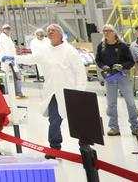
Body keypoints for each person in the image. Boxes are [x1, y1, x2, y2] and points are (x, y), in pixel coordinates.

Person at [14, 23, 87, 152]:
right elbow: (31, 58)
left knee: (77, 121)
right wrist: (14, 58)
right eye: (49, 30)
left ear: (60, 34)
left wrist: (80, 90)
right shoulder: (45, 50)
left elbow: (79, 71)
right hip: (53, 92)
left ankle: (85, 147)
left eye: (54, 30)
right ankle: (54, 148)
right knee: (54, 121)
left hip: (70, 91)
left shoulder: (69, 50)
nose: (50, 32)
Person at [95, 25, 138, 136]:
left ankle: (135, 126)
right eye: (104, 31)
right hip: (110, 77)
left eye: (108, 31)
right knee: (111, 103)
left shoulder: (122, 46)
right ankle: (114, 127)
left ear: (114, 32)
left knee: (130, 102)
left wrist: (122, 66)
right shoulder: (101, 46)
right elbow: (98, 60)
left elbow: (131, 61)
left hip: (123, 75)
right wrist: (103, 66)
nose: (106, 33)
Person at [0, 24, 25, 98]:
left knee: (15, 76)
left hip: (11, 59)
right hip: (8, 60)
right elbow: (7, 49)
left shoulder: (7, 37)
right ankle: (14, 93)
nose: (8, 30)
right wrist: (10, 60)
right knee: (14, 76)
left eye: (9, 29)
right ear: (3, 30)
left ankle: (15, 93)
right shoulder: (3, 37)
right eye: (6, 29)